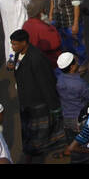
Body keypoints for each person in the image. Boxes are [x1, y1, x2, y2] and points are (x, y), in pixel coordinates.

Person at [8, 28, 62, 161]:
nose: (12, 47)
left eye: (15, 44)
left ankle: (34, 152)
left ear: (24, 42)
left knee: (40, 132)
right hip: (26, 100)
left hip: (37, 102)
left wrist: (54, 105)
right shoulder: (18, 54)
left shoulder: (37, 58)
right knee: (30, 131)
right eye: (12, 43)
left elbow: (46, 83)